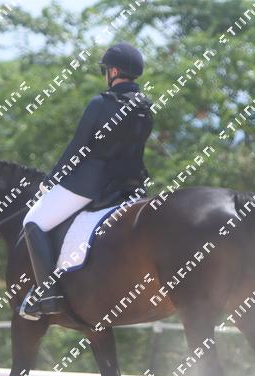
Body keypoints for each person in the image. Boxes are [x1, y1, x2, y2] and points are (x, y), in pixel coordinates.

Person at [19, 41, 154, 321]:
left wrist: (52, 179)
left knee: (33, 222)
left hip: (90, 185)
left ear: (113, 71)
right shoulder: (145, 108)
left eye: (106, 70)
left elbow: (77, 148)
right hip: (129, 186)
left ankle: (48, 296)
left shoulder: (101, 104)